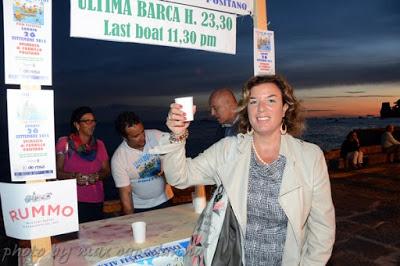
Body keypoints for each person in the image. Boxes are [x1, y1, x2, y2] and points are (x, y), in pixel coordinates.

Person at [152, 75, 335, 265]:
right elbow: (179, 177)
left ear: (285, 108)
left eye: (271, 100)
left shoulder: (310, 157)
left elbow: (322, 228)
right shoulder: (227, 150)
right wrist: (177, 135)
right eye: (253, 101)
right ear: (247, 109)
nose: (261, 108)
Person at [111, 111, 173, 214]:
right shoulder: (118, 159)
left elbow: (178, 143)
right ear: (124, 138)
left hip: (165, 200)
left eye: (142, 132)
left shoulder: (156, 135)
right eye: (136, 136)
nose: (143, 138)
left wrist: (165, 161)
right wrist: (130, 219)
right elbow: (126, 192)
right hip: (140, 207)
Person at [56, 106, 110, 223]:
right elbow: (57, 172)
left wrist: (96, 176)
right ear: (77, 124)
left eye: (93, 121)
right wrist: (73, 177)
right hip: (71, 202)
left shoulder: (99, 145)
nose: (92, 124)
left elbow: (106, 171)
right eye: (87, 121)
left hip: (96, 200)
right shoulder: (64, 143)